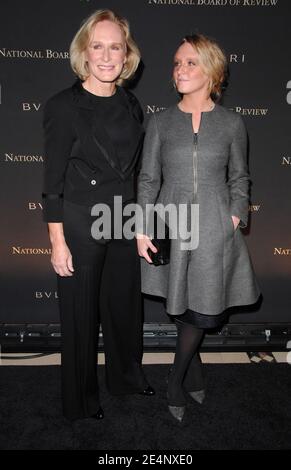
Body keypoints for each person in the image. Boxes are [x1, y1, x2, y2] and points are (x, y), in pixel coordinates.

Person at [137, 34, 260, 422]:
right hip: (169, 224)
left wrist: (235, 215)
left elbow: (240, 177)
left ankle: (175, 380)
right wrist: (142, 228)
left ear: (212, 70)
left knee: (201, 310)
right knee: (178, 305)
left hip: (212, 227)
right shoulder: (159, 122)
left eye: (191, 62)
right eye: (177, 63)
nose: (180, 70)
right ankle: (195, 369)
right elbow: (147, 180)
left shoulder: (231, 123)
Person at [42, 9, 154, 422]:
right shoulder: (62, 107)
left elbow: (136, 172)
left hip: (123, 219)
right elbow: (51, 181)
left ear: (127, 56)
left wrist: (140, 226)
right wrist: (57, 241)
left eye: (116, 47)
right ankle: (81, 402)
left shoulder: (130, 103)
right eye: (98, 46)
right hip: (80, 221)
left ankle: (125, 377)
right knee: (80, 318)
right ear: (84, 53)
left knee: (125, 307)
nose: (107, 56)